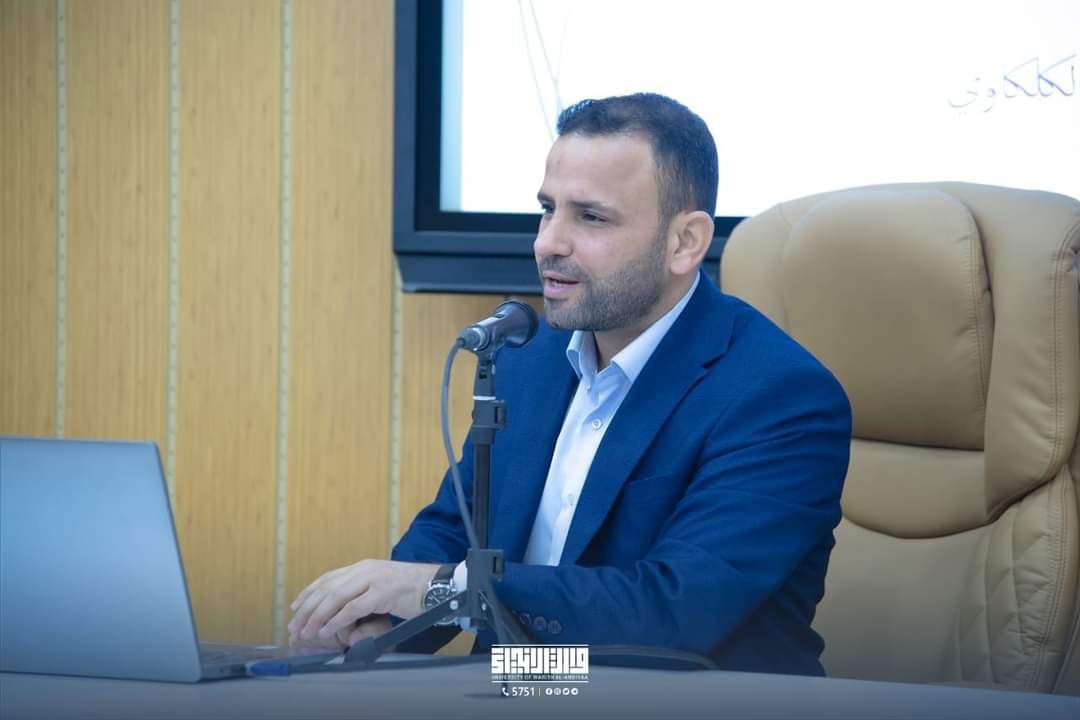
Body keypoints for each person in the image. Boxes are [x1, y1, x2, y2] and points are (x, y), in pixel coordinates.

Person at [287, 93, 852, 675]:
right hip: (514, 690)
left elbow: (674, 610)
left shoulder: (779, 396)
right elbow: (457, 528)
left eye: (591, 217)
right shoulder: (528, 358)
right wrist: (380, 622)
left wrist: (442, 589)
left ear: (685, 242)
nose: (548, 242)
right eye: (547, 209)